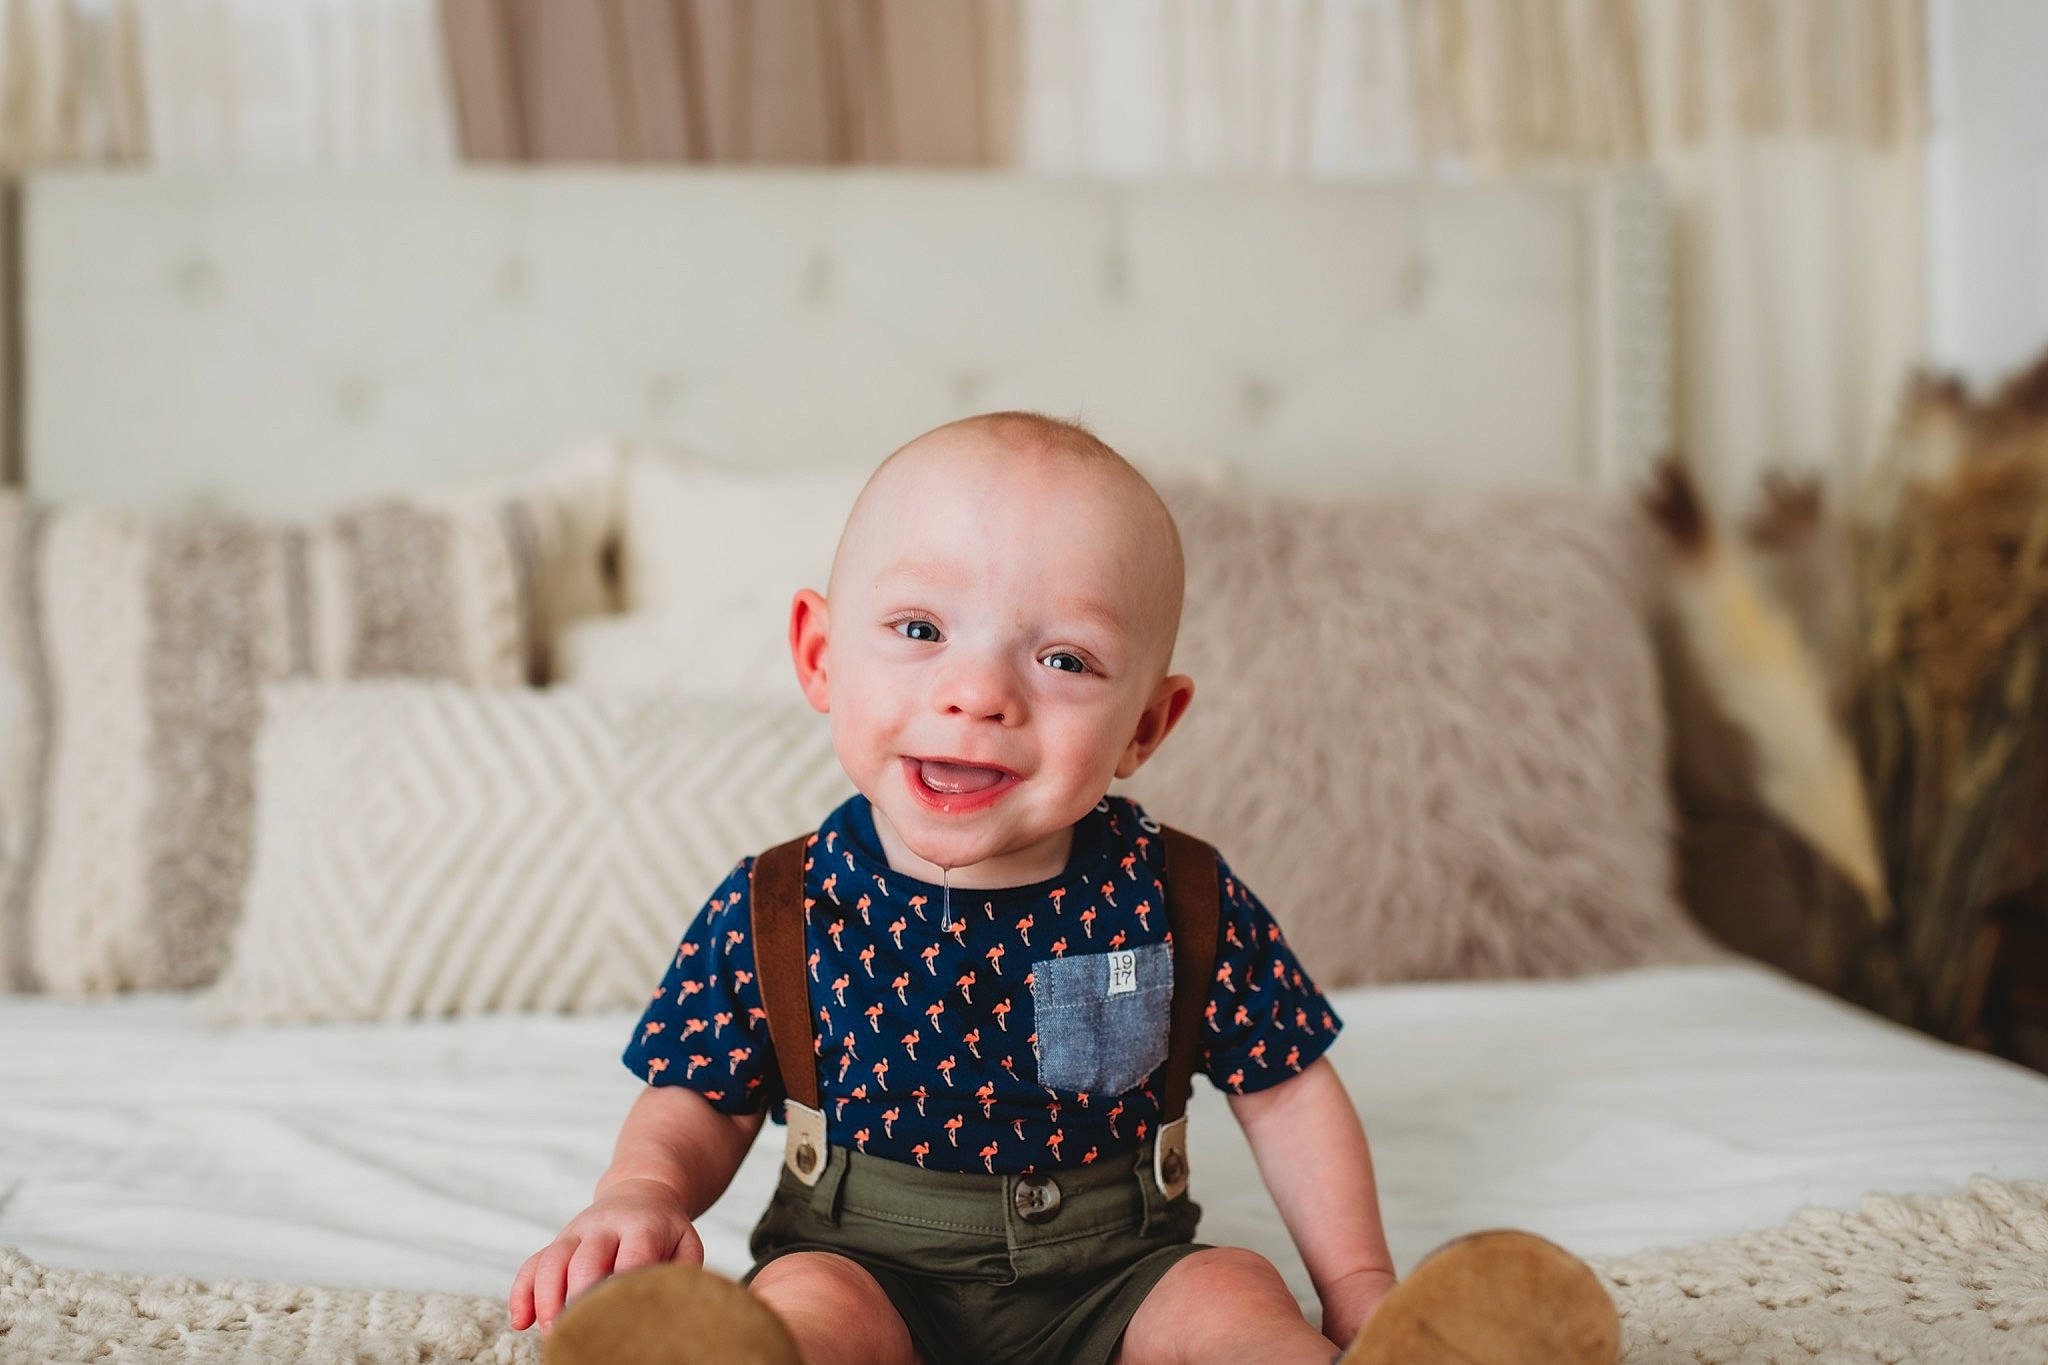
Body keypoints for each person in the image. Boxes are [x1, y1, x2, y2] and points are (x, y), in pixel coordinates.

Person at [511, 413, 1617, 1365]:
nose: (978, 692)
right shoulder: (777, 906)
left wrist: (1361, 1288)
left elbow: (1285, 1090)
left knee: (1235, 1300)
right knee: (801, 1318)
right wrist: (642, 1195)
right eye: (917, 630)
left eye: (1064, 660)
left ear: (1146, 724)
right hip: (864, 1261)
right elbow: (698, 1093)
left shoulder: (1176, 895)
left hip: (1117, 1273)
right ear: (818, 656)